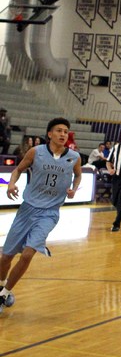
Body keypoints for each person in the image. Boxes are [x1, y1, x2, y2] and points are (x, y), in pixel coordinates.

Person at [0, 117, 82, 313]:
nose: (63, 134)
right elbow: (18, 170)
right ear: (50, 134)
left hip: (49, 213)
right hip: (27, 209)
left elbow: (78, 174)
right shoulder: (36, 152)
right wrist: (11, 184)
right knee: (5, 257)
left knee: (28, 254)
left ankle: (4, 294)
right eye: (59, 130)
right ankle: (2, 285)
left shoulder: (74, 157)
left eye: (66, 131)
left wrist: (74, 188)